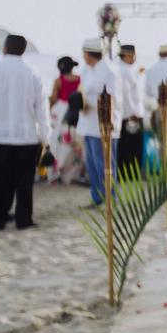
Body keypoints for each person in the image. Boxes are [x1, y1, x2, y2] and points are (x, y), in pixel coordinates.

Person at [0, 34, 49, 230]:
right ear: (23, 50)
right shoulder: (33, 73)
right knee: (24, 182)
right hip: (26, 136)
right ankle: (23, 219)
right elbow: (41, 109)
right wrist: (45, 136)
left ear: (4, 48)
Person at [77, 37, 119, 207]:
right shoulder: (88, 70)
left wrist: (88, 104)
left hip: (103, 125)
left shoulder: (108, 70)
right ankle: (97, 198)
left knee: (105, 165)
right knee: (93, 165)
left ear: (88, 54)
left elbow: (112, 99)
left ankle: (110, 198)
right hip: (88, 123)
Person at [47, 56, 83, 185]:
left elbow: (54, 98)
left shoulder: (58, 81)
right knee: (74, 142)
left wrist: (49, 110)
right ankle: (73, 173)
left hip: (61, 113)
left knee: (58, 142)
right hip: (76, 112)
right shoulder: (80, 79)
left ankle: (57, 170)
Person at [115, 44, 147, 176]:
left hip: (125, 114)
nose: (135, 58)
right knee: (131, 147)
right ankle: (129, 173)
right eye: (133, 55)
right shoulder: (124, 71)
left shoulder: (124, 69)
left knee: (125, 147)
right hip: (129, 115)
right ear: (127, 55)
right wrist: (134, 113)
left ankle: (126, 172)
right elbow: (127, 95)